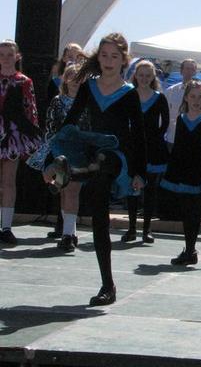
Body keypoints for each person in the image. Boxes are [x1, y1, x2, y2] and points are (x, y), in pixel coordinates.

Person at [45, 33, 146, 306]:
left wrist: (139, 172)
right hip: (91, 150)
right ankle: (108, 285)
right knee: (98, 216)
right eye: (104, 55)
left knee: (101, 165)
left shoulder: (129, 94)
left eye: (115, 56)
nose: (109, 60)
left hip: (116, 155)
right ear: (97, 57)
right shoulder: (89, 88)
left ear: (123, 60)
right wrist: (49, 159)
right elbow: (69, 122)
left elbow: (138, 135)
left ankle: (76, 174)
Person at [160, 80, 201, 265]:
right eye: (193, 96)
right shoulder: (181, 119)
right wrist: (172, 169)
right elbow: (178, 146)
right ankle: (189, 249)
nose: (196, 100)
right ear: (186, 97)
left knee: (195, 211)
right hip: (182, 168)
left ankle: (190, 249)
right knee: (185, 210)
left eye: (200, 97)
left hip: (200, 169)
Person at [29, 63, 89, 251]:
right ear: (65, 80)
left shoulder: (88, 103)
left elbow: (89, 128)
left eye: (79, 79)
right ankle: (69, 231)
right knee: (64, 191)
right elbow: (50, 127)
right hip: (60, 152)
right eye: (71, 78)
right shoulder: (57, 101)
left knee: (72, 191)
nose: (75, 82)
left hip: (79, 152)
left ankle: (68, 235)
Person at [121, 60, 169, 244]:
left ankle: (146, 229)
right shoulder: (128, 95)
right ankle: (131, 228)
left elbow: (164, 123)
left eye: (148, 75)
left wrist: (154, 138)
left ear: (153, 77)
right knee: (132, 189)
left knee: (150, 190)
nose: (144, 78)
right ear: (135, 75)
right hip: (132, 148)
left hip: (153, 149)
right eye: (141, 75)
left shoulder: (159, 97)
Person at [0, 39, 42, 245]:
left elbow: (31, 109)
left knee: (8, 181)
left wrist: (32, 136)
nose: (6, 58)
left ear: (17, 57)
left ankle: (6, 226)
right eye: (2, 54)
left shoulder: (24, 81)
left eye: (10, 54)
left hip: (13, 135)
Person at [165, 59, 201, 148]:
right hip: (172, 139)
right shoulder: (171, 91)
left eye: (192, 69)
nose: (189, 72)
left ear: (195, 72)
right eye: (187, 68)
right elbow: (163, 115)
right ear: (181, 71)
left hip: (195, 140)